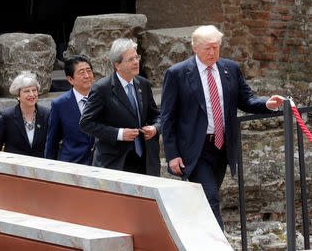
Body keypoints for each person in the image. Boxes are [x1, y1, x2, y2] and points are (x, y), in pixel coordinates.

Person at [159, 25, 284, 230]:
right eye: (207, 48)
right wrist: (172, 154)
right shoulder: (177, 73)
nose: (212, 53)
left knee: (206, 200)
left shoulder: (230, 68)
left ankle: (196, 237)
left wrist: (267, 104)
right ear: (195, 48)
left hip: (222, 146)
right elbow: (167, 117)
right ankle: (220, 243)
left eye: (216, 47)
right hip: (195, 149)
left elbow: (246, 100)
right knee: (211, 198)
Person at [79, 38, 161, 176]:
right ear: (117, 65)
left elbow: (157, 116)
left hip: (145, 160)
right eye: (130, 59)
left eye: (137, 57)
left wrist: (155, 128)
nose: (136, 62)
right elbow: (86, 123)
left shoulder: (143, 84)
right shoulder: (102, 88)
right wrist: (119, 134)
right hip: (115, 162)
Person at [45, 55, 95, 165]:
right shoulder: (60, 104)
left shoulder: (102, 98)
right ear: (70, 79)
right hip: (72, 164)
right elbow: (52, 141)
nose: (87, 76)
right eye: (82, 72)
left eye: (89, 71)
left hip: (100, 164)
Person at [0, 71, 50, 157]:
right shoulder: (7, 116)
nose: (32, 94)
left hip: (40, 167)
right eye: (26, 91)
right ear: (17, 95)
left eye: (34, 90)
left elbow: (53, 144)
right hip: (14, 167)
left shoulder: (46, 114)